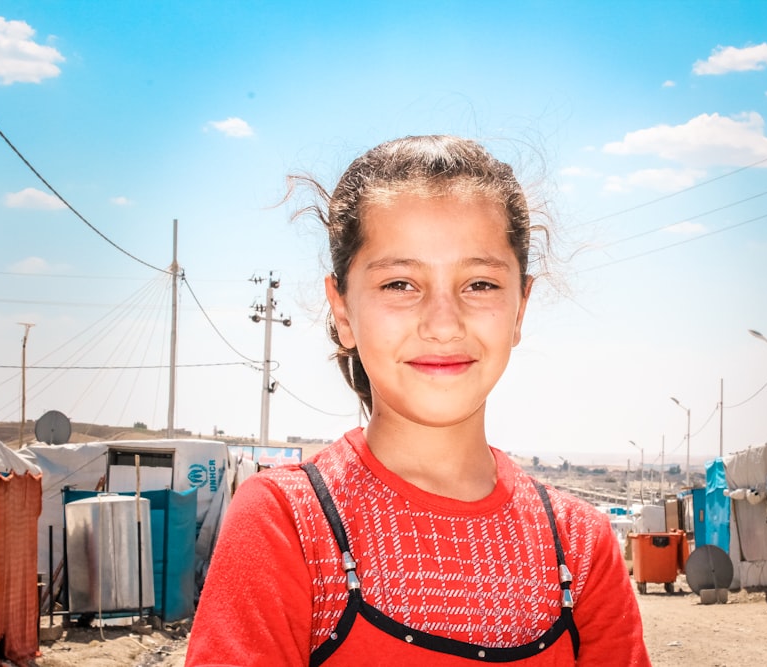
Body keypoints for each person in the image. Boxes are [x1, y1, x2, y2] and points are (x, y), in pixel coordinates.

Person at [185, 135, 650, 666]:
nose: (443, 323)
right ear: (342, 310)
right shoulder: (288, 524)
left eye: (479, 284)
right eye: (400, 283)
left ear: (521, 308)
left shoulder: (579, 548)